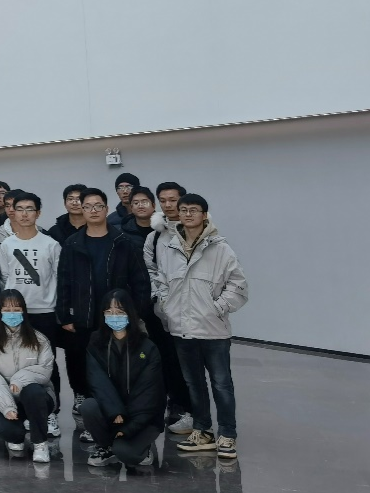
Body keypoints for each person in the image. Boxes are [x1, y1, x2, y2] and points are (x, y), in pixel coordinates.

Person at [157, 194, 248, 460]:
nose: (187, 214)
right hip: (182, 330)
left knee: (221, 384)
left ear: (204, 215)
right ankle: (202, 430)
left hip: (213, 331)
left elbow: (239, 286)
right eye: (183, 210)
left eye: (193, 210)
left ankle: (227, 434)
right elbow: (162, 282)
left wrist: (216, 308)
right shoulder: (171, 247)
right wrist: (166, 308)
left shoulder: (220, 248)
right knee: (193, 384)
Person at [57, 188, 151, 421]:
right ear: (82, 210)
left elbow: (140, 281)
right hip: (83, 314)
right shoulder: (72, 243)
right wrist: (65, 315)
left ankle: (114, 406)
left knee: (114, 361)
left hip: (116, 316)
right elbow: (64, 280)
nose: (93, 210)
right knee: (78, 357)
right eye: (88, 206)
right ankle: (82, 396)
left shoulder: (123, 242)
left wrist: (135, 314)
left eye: (98, 206)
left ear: (107, 209)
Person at [0, 191, 62, 433]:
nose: (24, 214)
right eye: (20, 209)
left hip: (44, 312)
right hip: (15, 315)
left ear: (38, 213)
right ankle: (23, 410)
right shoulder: (7, 245)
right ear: (12, 212)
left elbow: (58, 278)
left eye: (30, 209)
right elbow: (5, 278)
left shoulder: (51, 244)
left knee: (47, 365)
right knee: (17, 364)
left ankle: (51, 413)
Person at [82, 289, 165, 469]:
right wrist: (115, 412)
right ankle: (105, 446)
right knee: (88, 406)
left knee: (127, 454)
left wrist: (128, 428)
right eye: (109, 311)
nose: (114, 316)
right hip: (113, 414)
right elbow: (98, 381)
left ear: (130, 313)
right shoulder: (96, 342)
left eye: (119, 311)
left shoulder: (147, 347)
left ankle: (142, 446)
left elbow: (148, 393)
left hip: (142, 417)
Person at [0, 290, 58, 463]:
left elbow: (45, 370)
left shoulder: (39, 340)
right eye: (7, 309)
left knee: (32, 392)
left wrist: (19, 379)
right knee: (9, 433)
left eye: (16, 309)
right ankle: (18, 430)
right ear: (0, 311)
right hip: (8, 398)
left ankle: (40, 443)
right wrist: (7, 407)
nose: (12, 314)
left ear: (23, 311)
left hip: (38, 397)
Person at [144, 180, 192, 432]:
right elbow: (151, 270)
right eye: (163, 200)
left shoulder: (198, 232)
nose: (168, 205)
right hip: (164, 311)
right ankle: (176, 405)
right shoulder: (154, 237)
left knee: (192, 363)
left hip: (194, 311)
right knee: (168, 361)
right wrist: (159, 299)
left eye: (173, 200)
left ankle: (195, 412)